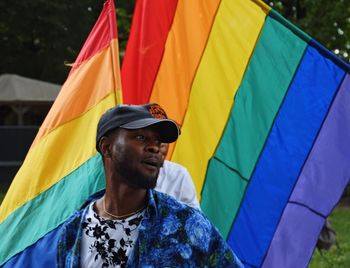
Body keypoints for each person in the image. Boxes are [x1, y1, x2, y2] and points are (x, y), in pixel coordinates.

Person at [57, 104, 243, 267]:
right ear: (107, 148)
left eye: (157, 141)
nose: (155, 147)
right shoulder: (72, 231)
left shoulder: (187, 225)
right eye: (140, 137)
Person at [156, 143, 200, 209]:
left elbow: (195, 215)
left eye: (165, 139)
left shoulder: (178, 174)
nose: (159, 146)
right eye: (141, 138)